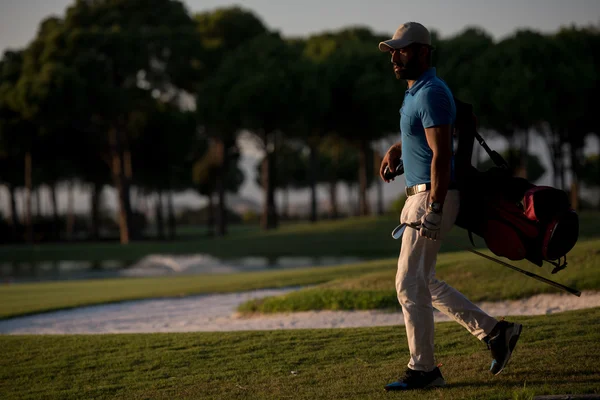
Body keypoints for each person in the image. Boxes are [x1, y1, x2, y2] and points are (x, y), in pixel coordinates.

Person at [378, 22, 522, 391]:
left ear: (424, 51)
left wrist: (436, 208)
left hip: (431, 196)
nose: (395, 56)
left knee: (408, 285)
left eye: (403, 50)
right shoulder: (416, 93)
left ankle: (424, 369)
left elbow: (441, 156)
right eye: (393, 50)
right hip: (423, 194)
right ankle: (495, 333)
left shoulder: (430, 93)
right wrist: (398, 150)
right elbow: (421, 139)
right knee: (423, 282)